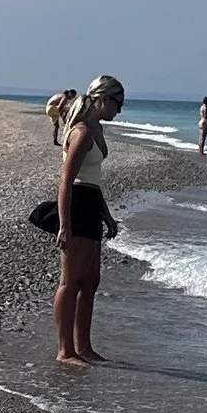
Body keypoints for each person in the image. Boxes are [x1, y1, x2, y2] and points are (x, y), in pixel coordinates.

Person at [54, 75, 125, 366]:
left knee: (91, 280)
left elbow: (92, 179)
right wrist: (64, 225)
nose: (119, 110)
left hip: (92, 202)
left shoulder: (96, 129)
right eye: (118, 103)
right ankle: (65, 351)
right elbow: (66, 180)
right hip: (77, 205)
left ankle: (83, 345)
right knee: (70, 282)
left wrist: (106, 214)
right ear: (102, 99)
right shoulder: (81, 132)